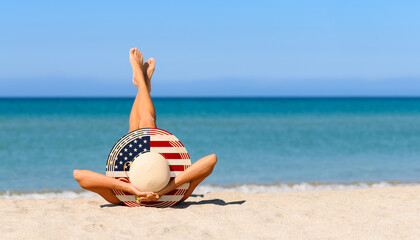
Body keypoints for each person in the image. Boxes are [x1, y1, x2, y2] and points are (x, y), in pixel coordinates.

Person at [73, 48, 217, 204]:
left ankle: (141, 81)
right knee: (147, 121)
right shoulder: (177, 195)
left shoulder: (119, 197)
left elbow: (79, 175)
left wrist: (131, 189)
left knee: (136, 126)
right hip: (158, 171)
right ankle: (142, 82)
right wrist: (168, 188)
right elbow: (211, 160)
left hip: (137, 174)